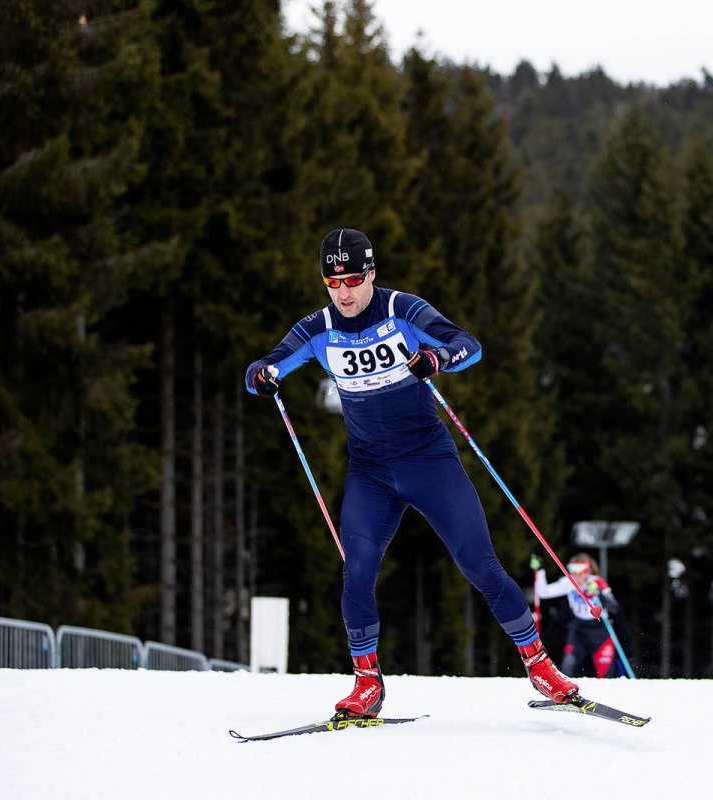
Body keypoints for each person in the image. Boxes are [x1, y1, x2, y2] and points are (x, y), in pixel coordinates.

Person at [245, 227, 578, 717]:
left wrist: (436, 358)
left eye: (354, 279)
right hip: (371, 471)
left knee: (478, 564)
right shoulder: (317, 328)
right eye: (334, 283)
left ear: (372, 273)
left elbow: (468, 344)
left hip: (427, 459)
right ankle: (367, 683)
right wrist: (261, 376)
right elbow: (265, 368)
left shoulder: (403, 309)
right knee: (356, 572)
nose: (346, 292)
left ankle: (539, 664)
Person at [531, 553, 631, 678]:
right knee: (568, 664)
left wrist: (598, 593)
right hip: (579, 630)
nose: (577, 574)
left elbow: (613, 607)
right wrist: (540, 571)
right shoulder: (568, 582)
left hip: (600, 630)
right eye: (573, 570)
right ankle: (566, 694)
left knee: (606, 671)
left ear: (588, 570)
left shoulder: (596, 582)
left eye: (581, 569)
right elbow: (543, 593)